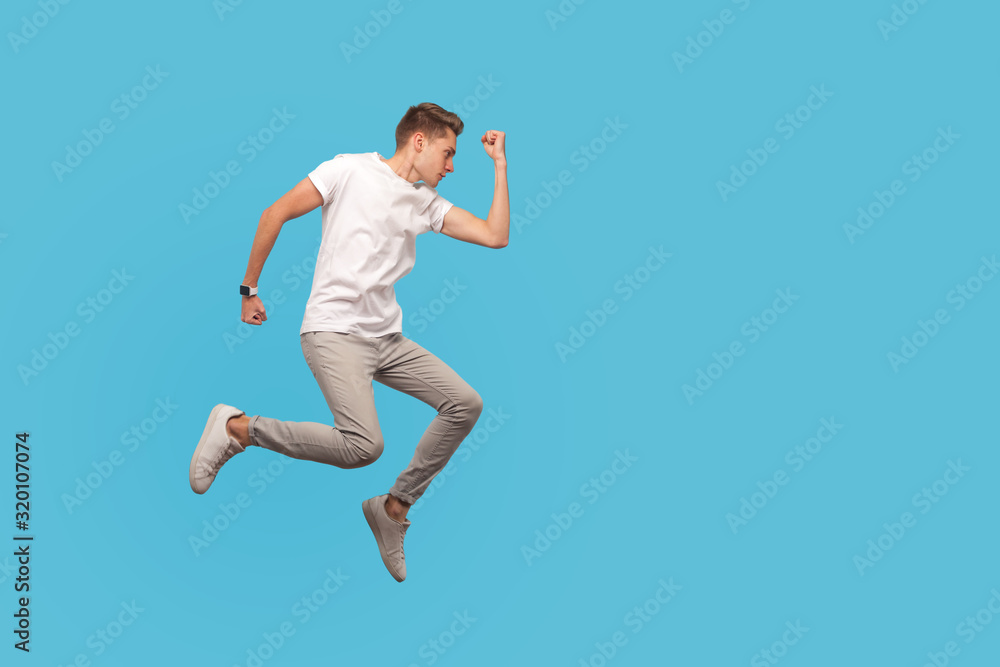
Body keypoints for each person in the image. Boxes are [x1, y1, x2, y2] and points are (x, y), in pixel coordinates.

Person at [188, 103, 508, 582]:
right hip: (333, 331)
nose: (451, 165)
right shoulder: (348, 169)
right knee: (363, 447)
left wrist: (500, 165)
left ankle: (393, 509)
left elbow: (494, 235)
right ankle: (237, 429)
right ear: (418, 141)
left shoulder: (424, 203)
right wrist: (248, 290)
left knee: (466, 404)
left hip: (387, 339)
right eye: (447, 152)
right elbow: (275, 212)